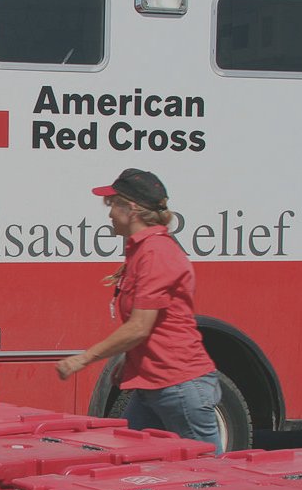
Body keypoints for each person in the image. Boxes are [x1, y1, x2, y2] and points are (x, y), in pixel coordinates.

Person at [55, 168, 223, 453]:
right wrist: (128, 361)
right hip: (155, 385)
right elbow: (151, 326)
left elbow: (139, 327)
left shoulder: (156, 253)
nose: (108, 214)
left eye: (112, 206)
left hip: (178, 385)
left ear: (130, 209)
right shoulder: (142, 250)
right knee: (130, 457)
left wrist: (83, 359)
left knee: (211, 473)